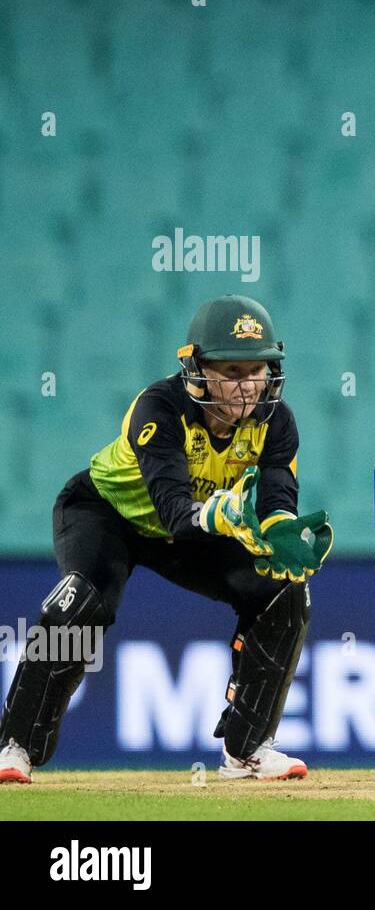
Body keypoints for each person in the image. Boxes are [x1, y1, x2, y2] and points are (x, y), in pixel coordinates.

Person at [0, 295, 332, 783]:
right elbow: (176, 512)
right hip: (108, 514)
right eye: (232, 370)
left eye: (256, 370)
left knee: (284, 590)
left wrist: (284, 533)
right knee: (81, 605)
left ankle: (247, 750)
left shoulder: (278, 422)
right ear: (198, 370)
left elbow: (277, 498)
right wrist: (221, 513)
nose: (247, 386)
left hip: (196, 530)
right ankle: (15, 747)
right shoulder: (159, 407)